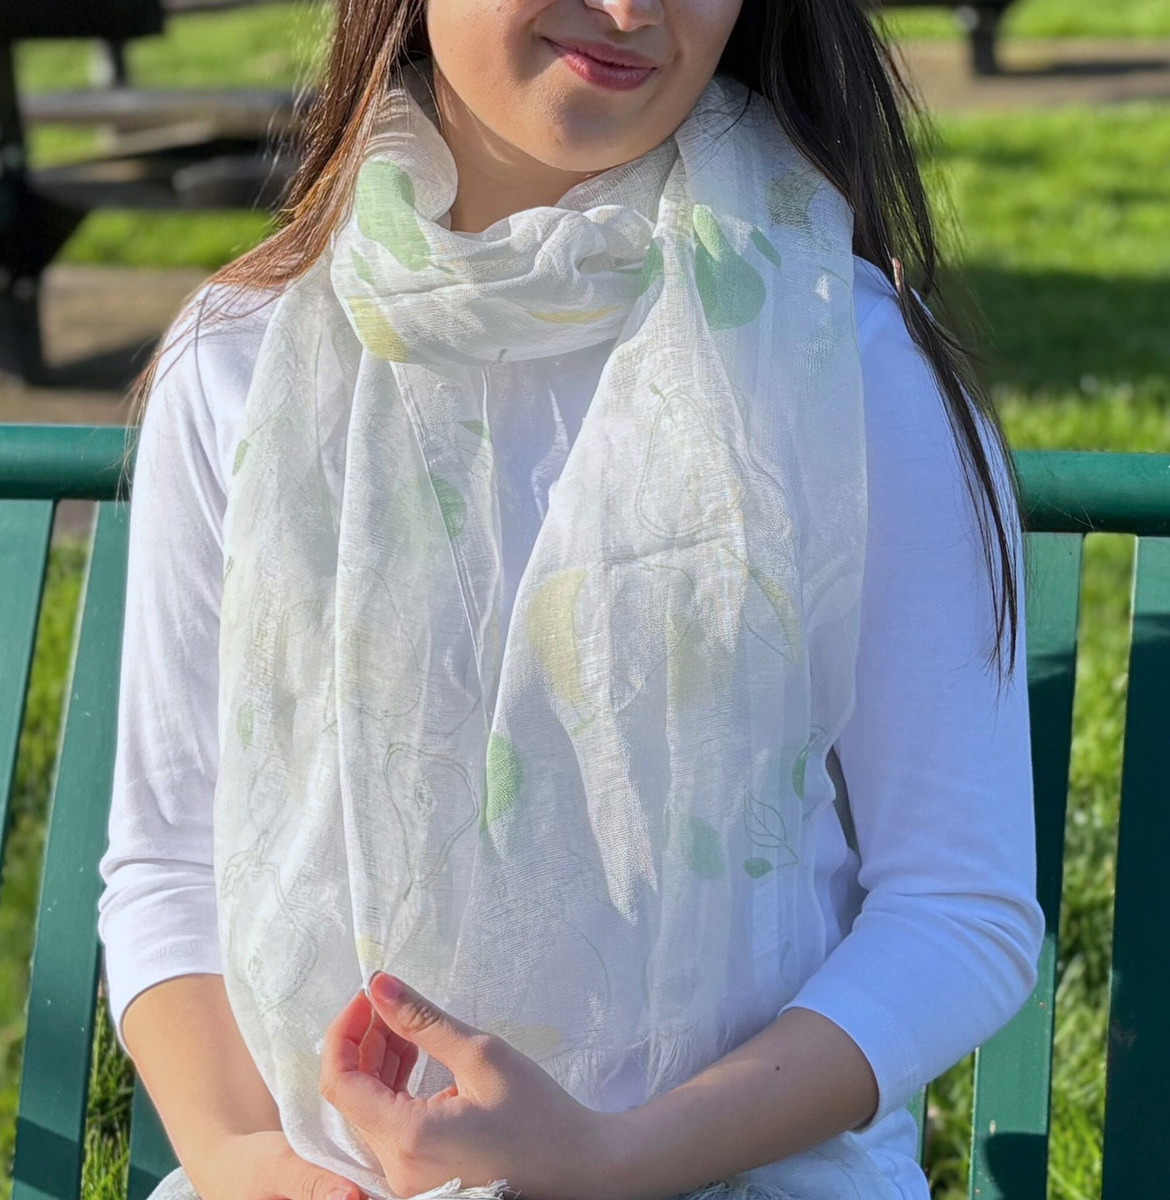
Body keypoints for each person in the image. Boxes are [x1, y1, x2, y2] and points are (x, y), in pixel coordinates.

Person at [97, 3, 1044, 1200]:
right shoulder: (239, 361)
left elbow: (961, 906)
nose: (641, 8)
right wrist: (242, 1161)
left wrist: (612, 1160)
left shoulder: (845, 363)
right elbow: (170, 864)